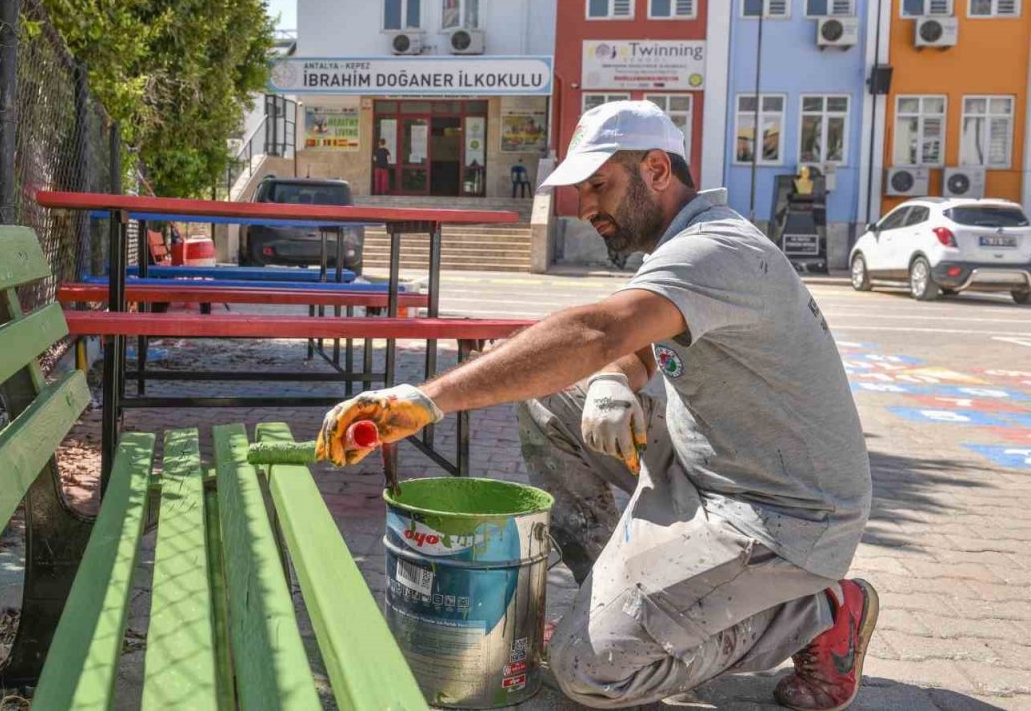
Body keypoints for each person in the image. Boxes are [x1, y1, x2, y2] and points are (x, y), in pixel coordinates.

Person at [316, 101, 876, 710]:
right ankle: (616, 598)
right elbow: (628, 345)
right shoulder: (684, 246)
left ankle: (818, 612)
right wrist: (613, 380)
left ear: (657, 169)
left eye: (599, 186)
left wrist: (426, 398)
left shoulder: (716, 250)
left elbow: (599, 331)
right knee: (549, 398)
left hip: (783, 518)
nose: (585, 208)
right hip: (707, 469)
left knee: (588, 671)